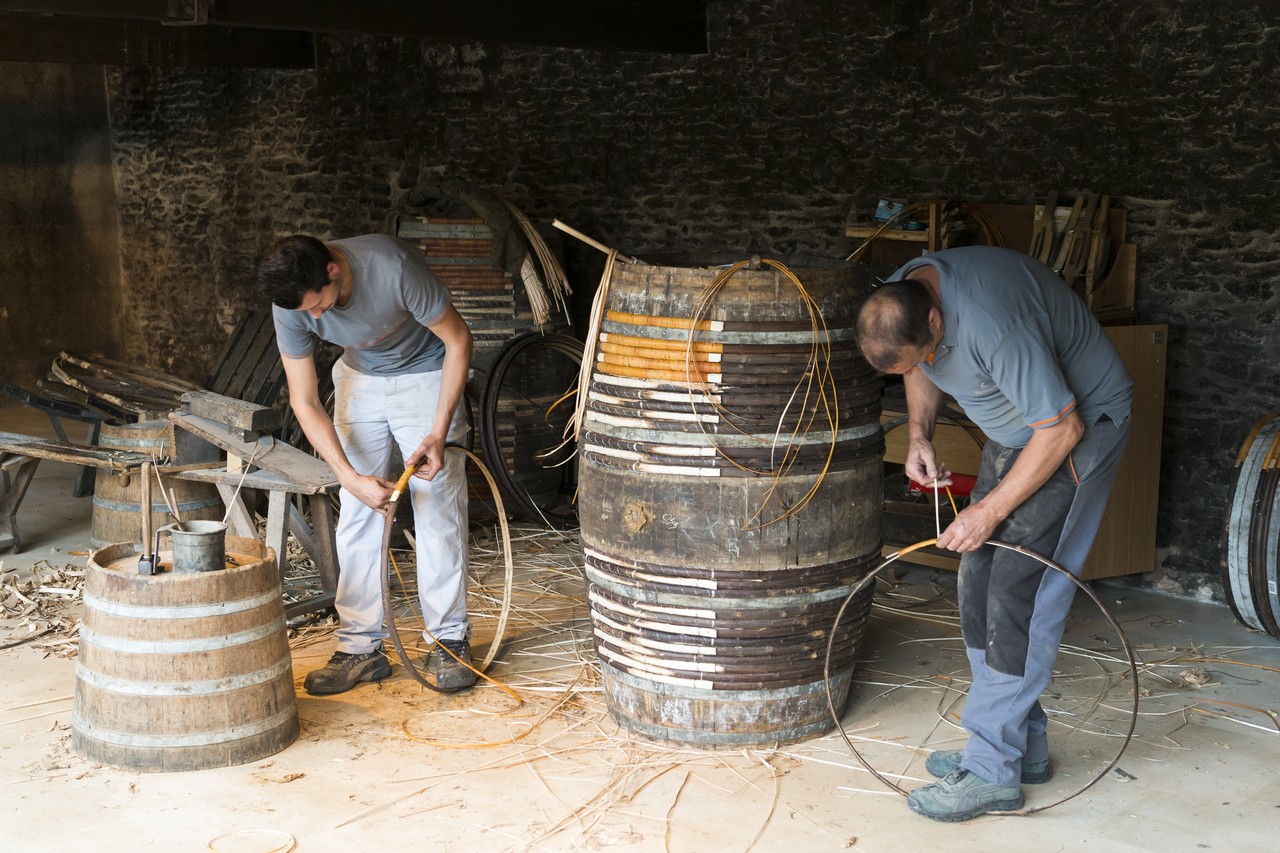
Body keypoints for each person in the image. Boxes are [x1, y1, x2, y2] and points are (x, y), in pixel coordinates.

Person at [855, 245, 1133, 821]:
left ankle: (990, 771)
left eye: (923, 353)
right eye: (905, 365)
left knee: (1019, 591)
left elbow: (1062, 428)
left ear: (936, 317)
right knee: (977, 577)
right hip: (1020, 431)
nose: (919, 366)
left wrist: (984, 512)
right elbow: (918, 365)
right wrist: (920, 435)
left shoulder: (993, 324)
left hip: (1074, 430)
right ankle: (1018, 747)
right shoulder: (901, 297)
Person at [258, 233, 476, 694]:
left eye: (318, 306)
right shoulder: (292, 303)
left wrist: (438, 433)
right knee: (359, 508)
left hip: (426, 372)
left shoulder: (392, 267)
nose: (315, 318)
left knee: (434, 500)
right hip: (360, 377)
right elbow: (304, 398)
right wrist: (347, 476)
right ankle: (360, 648)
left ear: (332, 270)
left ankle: (449, 640)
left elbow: (458, 340)